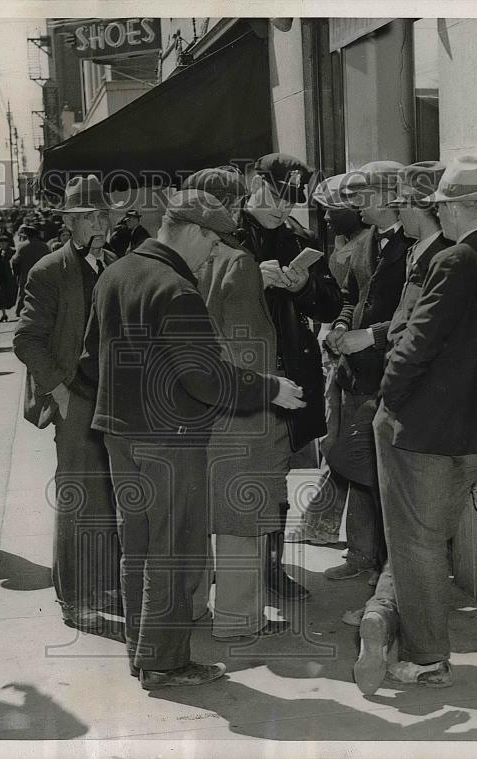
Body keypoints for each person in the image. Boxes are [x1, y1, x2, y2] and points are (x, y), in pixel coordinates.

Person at [79, 188, 306, 690]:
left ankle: (144, 654)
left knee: (136, 547)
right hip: (171, 439)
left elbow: (90, 360)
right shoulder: (177, 290)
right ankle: (165, 664)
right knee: (173, 552)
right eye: (212, 242)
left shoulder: (114, 274)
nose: (213, 254)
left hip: (120, 434)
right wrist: (271, 389)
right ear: (192, 231)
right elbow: (204, 378)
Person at [353, 155, 477, 694]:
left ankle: (426, 657)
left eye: (443, 207)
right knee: (429, 538)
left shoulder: (455, 262)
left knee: (413, 540)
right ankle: (384, 612)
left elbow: (415, 342)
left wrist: (388, 399)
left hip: (421, 431)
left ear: (460, 209)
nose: (443, 217)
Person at [183, 167, 291, 640]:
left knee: (195, 512)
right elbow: (251, 348)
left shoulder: (177, 257)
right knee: (239, 513)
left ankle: (191, 609)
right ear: (227, 207)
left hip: (192, 404)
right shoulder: (236, 262)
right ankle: (238, 618)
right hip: (237, 407)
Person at [14, 175, 120, 633]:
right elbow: (26, 339)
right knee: (78, 495)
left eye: (104, 216)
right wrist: (57, 390)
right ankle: (75, 596)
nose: (99, 224)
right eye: (89, 217)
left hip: (111, 400)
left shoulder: (114, 263)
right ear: (71, 223)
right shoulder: (49, 270)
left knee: (110, 494)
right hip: (74, 398)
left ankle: (105, 583)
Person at [235, 152, 343, 601]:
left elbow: (332, 304)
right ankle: (237, 570)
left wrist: (305, 287)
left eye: (291, 200)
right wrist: (249, 280)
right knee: (237, 476)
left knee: (276, 476)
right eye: (278, 196)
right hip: (240, 372)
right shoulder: (226, 233)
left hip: (287, 372)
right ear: (255, 182)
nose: (283, 208)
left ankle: (271, 568)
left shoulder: (298, 236)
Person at [318, 161, 412, 589]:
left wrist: (369, 337)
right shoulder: (364, 242)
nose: (353, 205)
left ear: (387, 196)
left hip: (391, 376)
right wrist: (340, 328)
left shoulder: (416, 243)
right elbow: (349, 297)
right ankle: (359, 554)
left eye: (360, 196)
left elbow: (412, 316)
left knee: (379, 470)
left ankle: (390, 564)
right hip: (356, 375)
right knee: (355, 464)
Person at [286, 173, 372, 547]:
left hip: (353, 354)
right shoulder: (345, 243)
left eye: (331, 210)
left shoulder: (364, 247)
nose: (323, 219)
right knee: (335, 440)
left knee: (340, 443)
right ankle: (319, 523)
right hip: (336, 350)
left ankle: (319, 523)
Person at [11, 224, 51, 317]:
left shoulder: (22, 246)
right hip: (41, 273)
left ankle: (20, 311)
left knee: (23, 292)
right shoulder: (44, 246)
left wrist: (16, 273)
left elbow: (15, 260)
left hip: (26, 273)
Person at [0, 233, 18, 322]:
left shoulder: (13, 251)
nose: (2, 244)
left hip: (10, 276)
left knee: (13, 293)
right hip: (1, 277)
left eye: (4, 242)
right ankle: (4, 314)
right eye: (1, 243)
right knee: (1, 296)